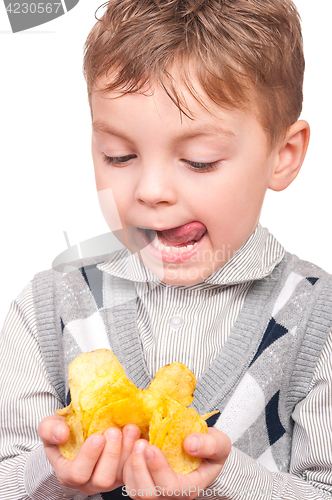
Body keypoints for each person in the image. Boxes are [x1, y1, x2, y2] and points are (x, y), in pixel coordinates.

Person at [1, 0, 332, 499]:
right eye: (120, 156)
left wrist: (225, 476)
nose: (151, 189)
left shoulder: (317, 319)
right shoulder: (48, 308)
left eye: (199, 161)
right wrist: (49, 473)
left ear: (282, 157)